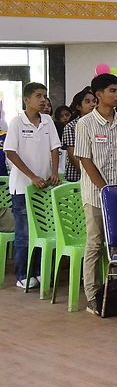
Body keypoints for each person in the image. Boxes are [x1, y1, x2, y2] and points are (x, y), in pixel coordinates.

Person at [75, 74, 117, 314]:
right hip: (96, 195)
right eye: (112, 90)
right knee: (95, 244)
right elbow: (84, 159)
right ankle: (92, 296)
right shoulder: (85, 124)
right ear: (98, 95)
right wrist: (105, 189)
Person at [4, 82, 61, 289]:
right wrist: (32, 176)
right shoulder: (17, 122)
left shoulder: (47, 121)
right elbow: (10, 152)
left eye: (45, 96)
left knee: (44, 231)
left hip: (44, 188)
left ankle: (40, 271)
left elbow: (55, 148)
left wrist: (53, 173)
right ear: (26, 100)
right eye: (38, 96)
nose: (43, 99)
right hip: (22, 188)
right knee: (25, 233)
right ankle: (23, 274)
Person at [62, 88, 97, 182]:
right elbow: (72, 155)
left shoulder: (99, 125)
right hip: (77, 175)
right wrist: (88, 175)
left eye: (94, 101)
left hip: (97, 174)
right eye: (87, 102)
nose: (93, 104)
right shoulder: (71, 126)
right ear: (78, 106)